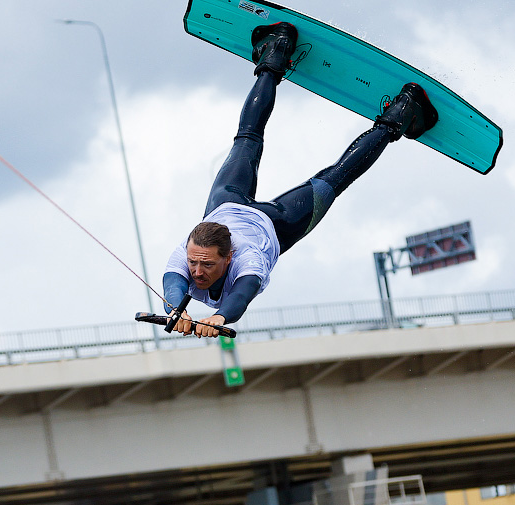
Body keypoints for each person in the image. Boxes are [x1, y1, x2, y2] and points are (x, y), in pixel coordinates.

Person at [162, 22, 438, 337]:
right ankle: (276, 51)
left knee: (335, 177)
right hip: (223, 207)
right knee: (247, 140)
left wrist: (220, 318)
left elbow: (240, 297)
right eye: (194, 263)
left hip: (277, 225)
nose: (197, 273)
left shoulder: (248, 261)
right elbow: (173, 281)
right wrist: (175, 308)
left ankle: (400, 114)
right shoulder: (189, 252)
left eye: (208, 266)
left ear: (229, 257)